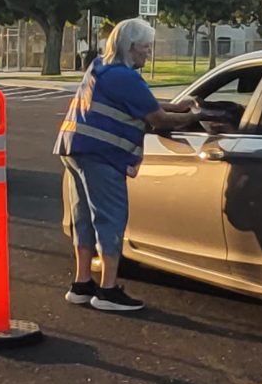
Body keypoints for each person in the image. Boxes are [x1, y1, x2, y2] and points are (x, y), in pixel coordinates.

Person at [55, 18, 200, 312]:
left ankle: (82, 284)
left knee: (84, 218)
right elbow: (158, 118)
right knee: (110, 218)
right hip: (102, 155)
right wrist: (195, 116)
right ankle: (107, 290)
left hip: (74, 149)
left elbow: (145, 104)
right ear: (131, 47)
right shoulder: (126, 77)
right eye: (146, 48)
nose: (148, 54)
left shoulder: (100, 67)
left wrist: (179, 106)